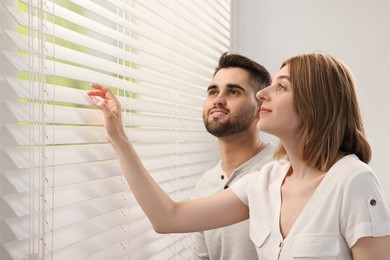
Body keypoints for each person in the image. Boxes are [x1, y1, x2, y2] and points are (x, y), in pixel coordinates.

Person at [87, 53, 390, 259]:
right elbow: (168, 217)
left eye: (281, 87)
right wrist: (119, 139)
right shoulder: (265, 182)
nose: (263, 94)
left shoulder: (353, 181)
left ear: (316, 103)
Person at [192, 53, 275, 259]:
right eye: (213, 91)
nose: (218, 100)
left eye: (234, 92)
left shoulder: (284, 170)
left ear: (260, 107)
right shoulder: (205, 185)